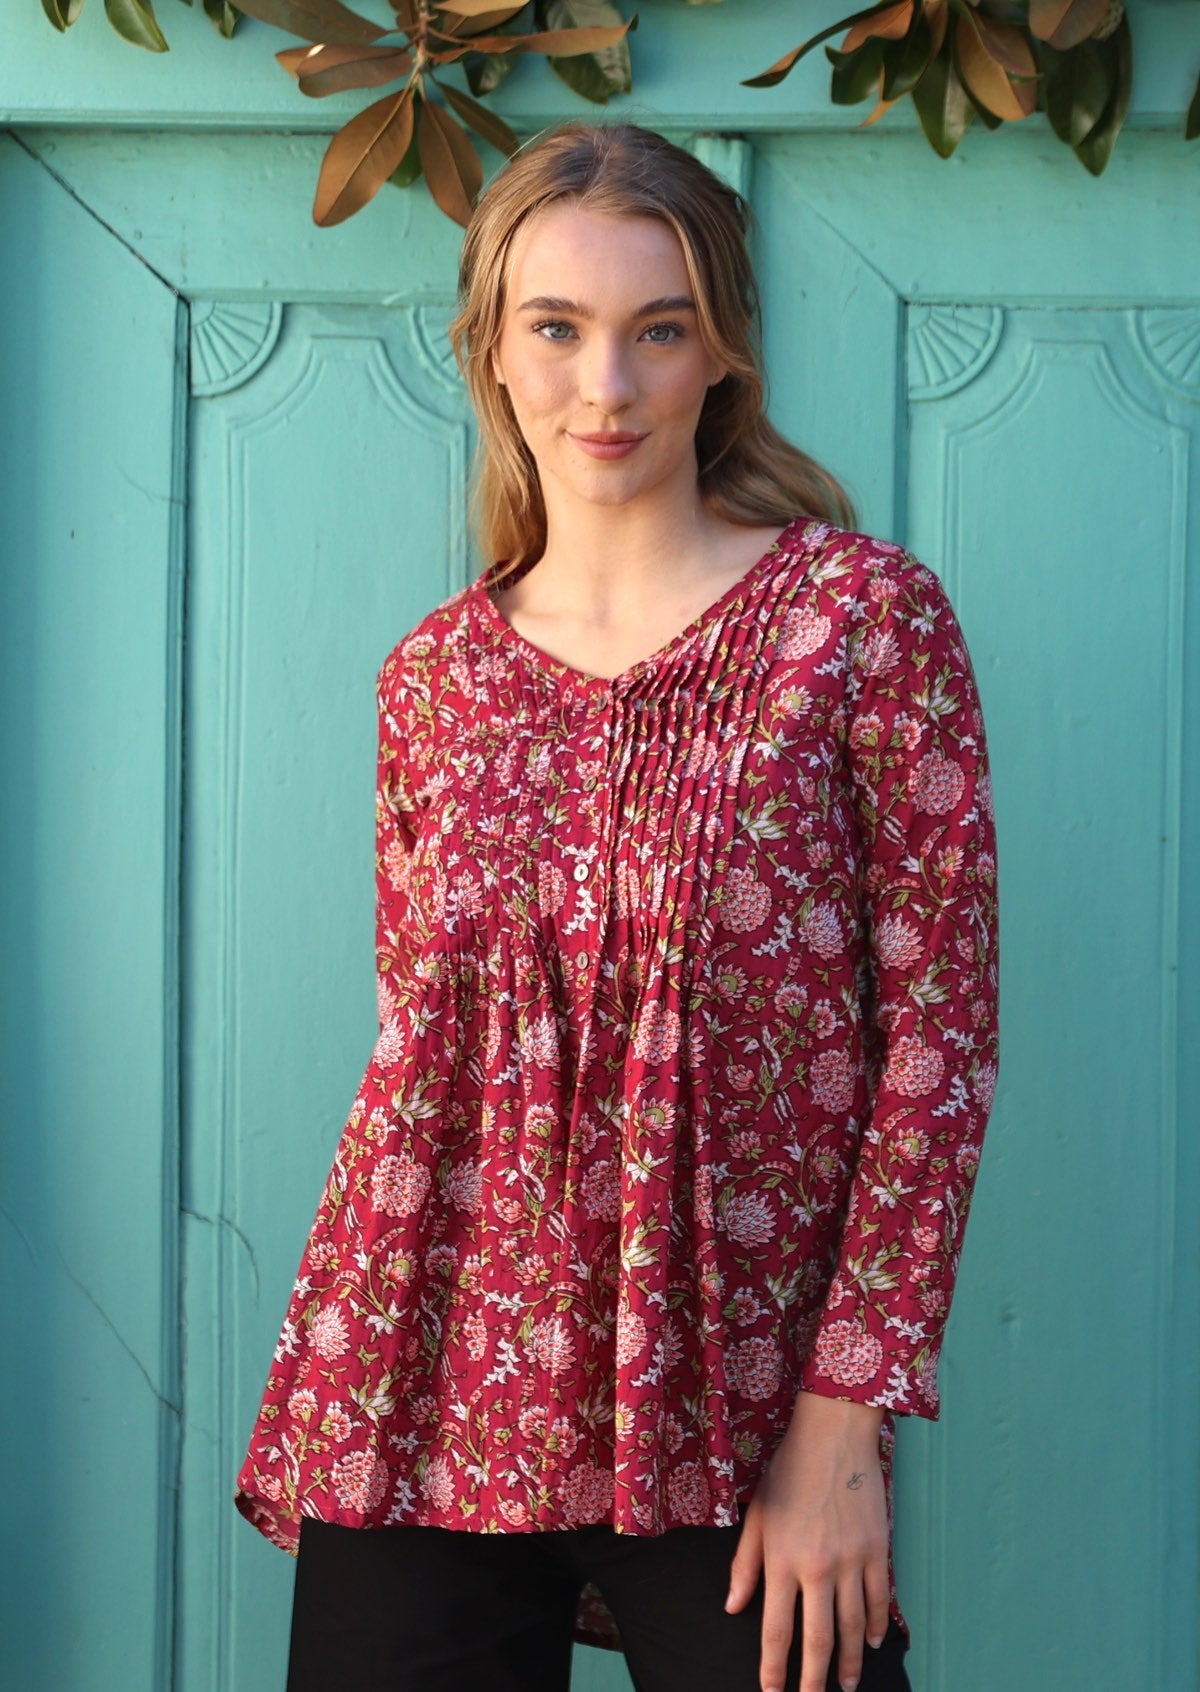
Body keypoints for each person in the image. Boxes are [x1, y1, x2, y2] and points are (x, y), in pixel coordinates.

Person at [235, 121, 1000, 1692]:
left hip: (732, 1398)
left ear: (721, 351)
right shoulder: (433, 683)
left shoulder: (858, 624)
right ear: (492, 353)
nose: (608, 386)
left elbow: (941, 1041)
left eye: (659, 329)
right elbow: (423, 1057)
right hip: (427, 1387)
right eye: (558, 330)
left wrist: (846, 1425)